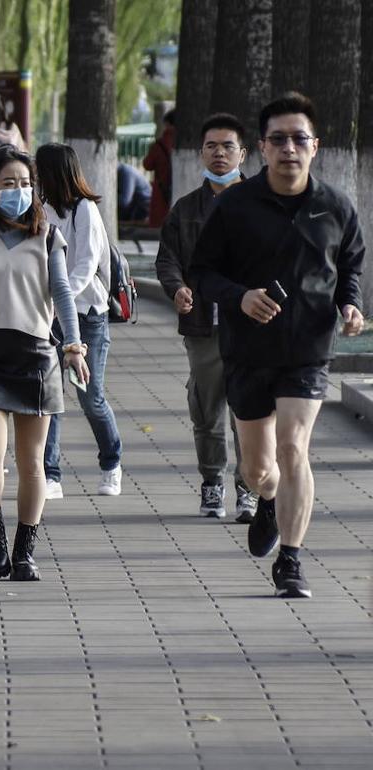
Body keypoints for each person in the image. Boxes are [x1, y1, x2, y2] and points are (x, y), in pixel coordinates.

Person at [191, 92, 365, 599]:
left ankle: (291, 560)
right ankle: (267, 500)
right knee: (258, 468)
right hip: (247, 350)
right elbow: (202, 271)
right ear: (262, 148)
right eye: (279, 139)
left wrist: (349, 305)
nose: (290, 148)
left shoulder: (335, 206)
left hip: (308, 349)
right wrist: (239, 297)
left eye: (299, 139)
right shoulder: (234, 206)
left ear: (316, 146)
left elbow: (350, 265)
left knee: (294, 449)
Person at [0, 146, 89, 582]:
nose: (19, 191)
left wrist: (73, 345)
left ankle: (25, 549)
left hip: (36, 355)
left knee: (33, 462)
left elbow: (63, 292)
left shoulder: (46, 235)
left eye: (26, 184)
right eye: (9, 183)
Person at [155, 112, 256, 521]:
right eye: (212, 146)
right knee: (207, 410)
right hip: (203, 328)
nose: (219, 153)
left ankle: (248, 490)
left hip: (251, 329)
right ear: (201, 152)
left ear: (243, 153)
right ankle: (212, 483)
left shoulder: (261, 204)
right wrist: (177, 288)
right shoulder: (185, 209)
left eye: (228, 146)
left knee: (248, 413)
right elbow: (168, 259)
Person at [36, 143, 124, 499]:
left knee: (90, 395)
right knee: (50, 396)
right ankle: (50, 473)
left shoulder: (84, 210)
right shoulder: (41, 210)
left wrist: (60, 296)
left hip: (88, 316)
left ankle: (111, 462)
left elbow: (86, 266)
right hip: (50, 317)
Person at [142, 109, 175, 227]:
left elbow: (147, 165)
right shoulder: (186, 143)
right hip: (177, 187)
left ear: (167, 124)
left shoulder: (159, 145)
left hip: (161, 190)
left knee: (160, 224)